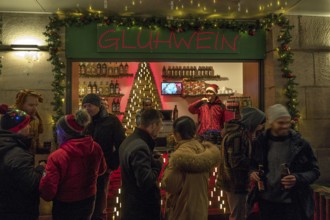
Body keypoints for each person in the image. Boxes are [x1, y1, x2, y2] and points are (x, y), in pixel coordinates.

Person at [248, 104, 320, 220]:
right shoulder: (260, 143)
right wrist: (252, 172)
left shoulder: (301, 145)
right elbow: (252, 164)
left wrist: (297, 178)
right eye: (280, 123)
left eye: (287, 122)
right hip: (266, 203)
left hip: (293, 204)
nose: (285, 126)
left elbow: (315, 171)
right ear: (271, 122)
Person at [39, 110, 107, 220]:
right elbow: (102, 170)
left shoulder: (57, 156)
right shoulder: (95, 147)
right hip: (89, 200)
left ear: (63, 133)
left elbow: (48, 192)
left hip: (65, 204)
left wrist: (43, 173)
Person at [161, 116, 220, 220]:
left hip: (183, 210)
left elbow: (170, 184)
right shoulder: (203, 149)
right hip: (200, 208)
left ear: (177, 134)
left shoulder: (179, 156)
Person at [216, 107, 266, 220]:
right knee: (238, 215)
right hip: (235, 182)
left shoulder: (241, 133)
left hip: (235, 182)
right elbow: (236, 161)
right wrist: (253, 166)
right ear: (254, 122)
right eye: (260, 123)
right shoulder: (238, 136)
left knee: (240, 213)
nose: (262, 127)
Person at [82, 93, 126, 220]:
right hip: (86, 167)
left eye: (89, 105)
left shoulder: (111, 121)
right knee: (87, 198)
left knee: (100, 197)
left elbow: (121, 144)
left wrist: (112, 165)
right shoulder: (84, 122)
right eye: (84, 106)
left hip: (104, 167)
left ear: (98, 106)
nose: (86, 108)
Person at [0, 105, 45, 220]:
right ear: (19, 128)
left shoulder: (5, 144)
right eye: (27, 124)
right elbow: (32, 184)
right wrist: (40, 169)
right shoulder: (18, 155)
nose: (30, 127)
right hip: (19, 211)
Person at [119, 109, 164, 220]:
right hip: (141, 209)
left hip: (130, 204)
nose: (160, 129)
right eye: (160, 125)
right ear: (153, 125)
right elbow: (146, 182)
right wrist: (158, 164)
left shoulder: (130, 140)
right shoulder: (140, 147)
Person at [14, 89, 44, 154]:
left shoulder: (35, 120)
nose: (35, 108)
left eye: (36, 105)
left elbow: (36, 141)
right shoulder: (11, 121)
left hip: (29, 159)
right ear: (21, 104)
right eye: (31, 105)